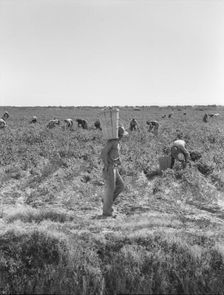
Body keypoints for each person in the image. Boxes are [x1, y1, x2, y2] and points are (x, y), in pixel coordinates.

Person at [100, 126, 128, 217]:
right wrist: (106, 164)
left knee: (120, 186)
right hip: (110, 168)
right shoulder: (112, 142)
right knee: (110, 189)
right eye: (122, 135)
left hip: (114, 167)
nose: (123, 137)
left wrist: (118, 160)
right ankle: (107, 212)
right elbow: (103, 153)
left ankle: (106, 201)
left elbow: (114, 154)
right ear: (119, 135)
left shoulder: (117, 143)